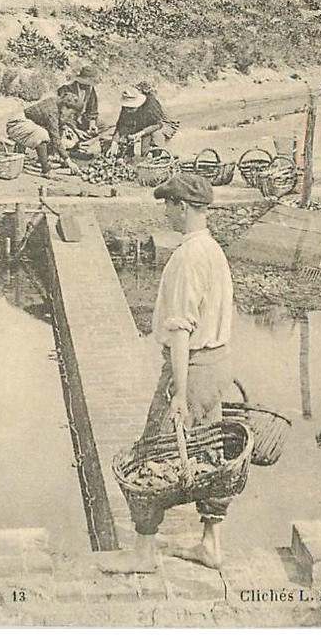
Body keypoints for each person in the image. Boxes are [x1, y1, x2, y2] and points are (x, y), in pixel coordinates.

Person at [103, 173, 235, 575]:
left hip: (191, 369)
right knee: (213, 456)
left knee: (151, 456)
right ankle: (211, 543)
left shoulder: (187, 258)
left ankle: (143, 553)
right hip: (216, 365)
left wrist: (177, 392)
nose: (165, 212)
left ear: (181, 207)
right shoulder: (213, 250)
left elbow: (180, 330)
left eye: (168, 204)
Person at [6, 91, 83, 177]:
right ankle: (45, 170)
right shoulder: (52, 112)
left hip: (28, 122)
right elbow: (55, 137)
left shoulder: (57, 103)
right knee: (43, 134)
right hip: (16, 124)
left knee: (53, 131)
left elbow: (57, 128)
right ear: (66, 107)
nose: (71, 116)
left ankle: (44, 159)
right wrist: (68, 161)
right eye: (71, 113)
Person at [109, 86, 167, 157]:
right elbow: (120, 126)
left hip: (155, 125)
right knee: (124, 138)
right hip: (139, 125)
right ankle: (128, 156)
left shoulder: (150, 106)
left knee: (146, 150)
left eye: (131, 108)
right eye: (127, 108)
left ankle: (156, 156)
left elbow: (158, 124)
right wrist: (114, 143)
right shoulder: (126, 109)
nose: (128, 111)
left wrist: (141, 133)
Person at [57, 65, 100, 135]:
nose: (87, 86)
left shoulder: (90, 89)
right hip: (67, 121)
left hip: (83, 119)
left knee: (105, 126)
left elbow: (93, 109)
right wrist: (73, 128)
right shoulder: (66, 89)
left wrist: (92, 123)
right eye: (84, 83)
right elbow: (62, 113)